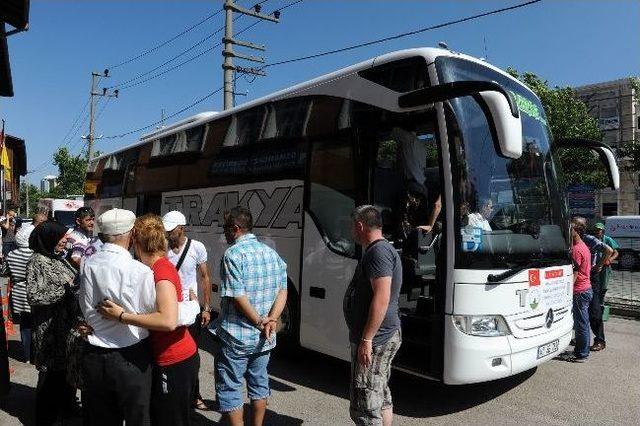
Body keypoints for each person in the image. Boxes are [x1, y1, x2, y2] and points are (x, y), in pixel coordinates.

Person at [97, 214, 199, 426]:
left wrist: (122, 316)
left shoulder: (160, 271)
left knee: (171, 420)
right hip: (170, 356)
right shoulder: (155, 267)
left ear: (135, 240)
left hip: (173, 358)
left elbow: (168, 321)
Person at [79, 208, 157, 426]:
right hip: (130, 356)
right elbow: (152, 312)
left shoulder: (88, 263)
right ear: (131, 235)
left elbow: (84, 303)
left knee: (100, 419)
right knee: (137, 419)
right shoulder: (139, 271)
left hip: (94, 353)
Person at [215, 206, 288, 426]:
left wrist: (259, 321)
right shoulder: (271, 253)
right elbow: (282, 291)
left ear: (236, 228)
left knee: (230, 387)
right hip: (265, 337)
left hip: (237, 336)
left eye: (226, 228)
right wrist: (272, 320)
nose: (224, 233)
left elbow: (238, 296)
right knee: (259, 383)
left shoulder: (233, 254)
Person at [344, 205, 403, 426]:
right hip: (381, 336)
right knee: (379, 396)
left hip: (377, 339)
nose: (352, 231)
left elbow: (382, 297)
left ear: (360, 225)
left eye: (352, 226)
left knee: (366, 405)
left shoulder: (378, 252)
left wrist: (366, 339)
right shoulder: (380, 250)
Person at [26, 220, 82, 425]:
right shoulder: (37, 261)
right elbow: (34, 296)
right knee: (50, 376)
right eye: (62, 236)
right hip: (48, 330)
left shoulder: (58, 258)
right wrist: (65, 290)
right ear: (49, 238)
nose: (66, 239)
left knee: (65, 374)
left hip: (66, 327)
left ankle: (65, 409)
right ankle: (46, 418)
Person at [162, 210, 213, 410]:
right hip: (168, 305)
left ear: (181, 228)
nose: (167, 234)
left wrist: (206, 308)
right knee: (168, 350)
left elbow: (205, 277)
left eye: (171, 230)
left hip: (190, 309)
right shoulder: (163, 248)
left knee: (192, 353)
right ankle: (170, 391)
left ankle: (194, 393)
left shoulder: (196, 247)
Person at [573, 217, 613, 352]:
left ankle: (600, 340)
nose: (572, 226)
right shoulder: (570, 240)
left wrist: (599, 265)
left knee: (594, 310)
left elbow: (609, 250)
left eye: (576, 224)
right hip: (577, 275)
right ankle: (581, 338)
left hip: (590, 276)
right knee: (579, 311)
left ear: (582, 228)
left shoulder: (589, 240)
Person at [2, 225, 35, 362]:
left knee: (24, 324)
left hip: (18, 292)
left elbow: (4, 272)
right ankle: (35, 355)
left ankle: (26, 355)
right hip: (33, 290)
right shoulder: (35, 254)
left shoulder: (11, 254)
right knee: (36, 323)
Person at [589, 222, 619, 351]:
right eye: (596, 229)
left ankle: (600, 308)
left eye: (599, 230)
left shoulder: (607, 240)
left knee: (602, 290)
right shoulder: (592, 240)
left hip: (604, 268)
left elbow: (615, 252)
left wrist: (609, 260)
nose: (597, 231)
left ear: (603, 231)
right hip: (595, 270)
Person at [569, 218, 593, 362]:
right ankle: (581, 350)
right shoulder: (583, 246)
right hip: (586, 288)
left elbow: (575, 273)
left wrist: (567, 290)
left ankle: (582, 353)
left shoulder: (577, 249)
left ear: (577, 231)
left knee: (581, 324)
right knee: (583, 322)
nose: (569, 231)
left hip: (579, 291)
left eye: (571, 229)